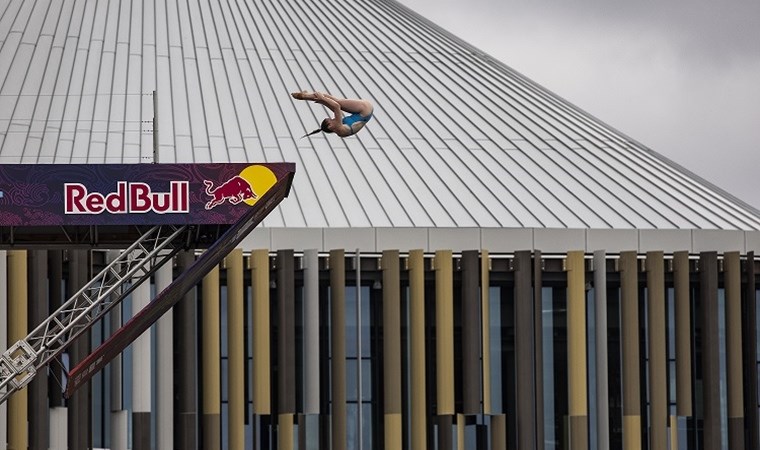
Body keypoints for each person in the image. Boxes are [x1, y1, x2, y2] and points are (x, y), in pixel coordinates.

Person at [292, 90, 373, 138]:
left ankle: (305, 95)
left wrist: (323, 101)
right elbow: (336, 107)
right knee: (335, 102)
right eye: (331, 120)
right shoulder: (339, 127)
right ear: (330, 126)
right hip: (365, 109)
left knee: (327, 97)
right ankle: (304, 96)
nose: (333, 118)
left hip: (363, 113)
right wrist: (322, 99)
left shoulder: (339, 130)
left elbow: (338, 112)